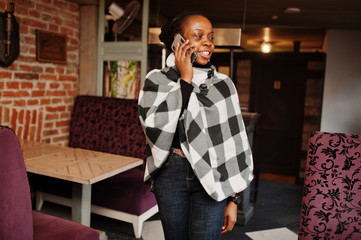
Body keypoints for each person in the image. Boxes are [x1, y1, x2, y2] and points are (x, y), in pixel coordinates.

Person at [138, 12, 253, 240]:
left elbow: (232, 146)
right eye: (198, 36)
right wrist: (186, 79)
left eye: (210, 37)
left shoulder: (223, 84)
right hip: (171, 173)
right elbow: (154, 127)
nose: (208, 42)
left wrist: (232, 198)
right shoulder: (156, 80)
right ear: (177, 42)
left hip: (213, 173)